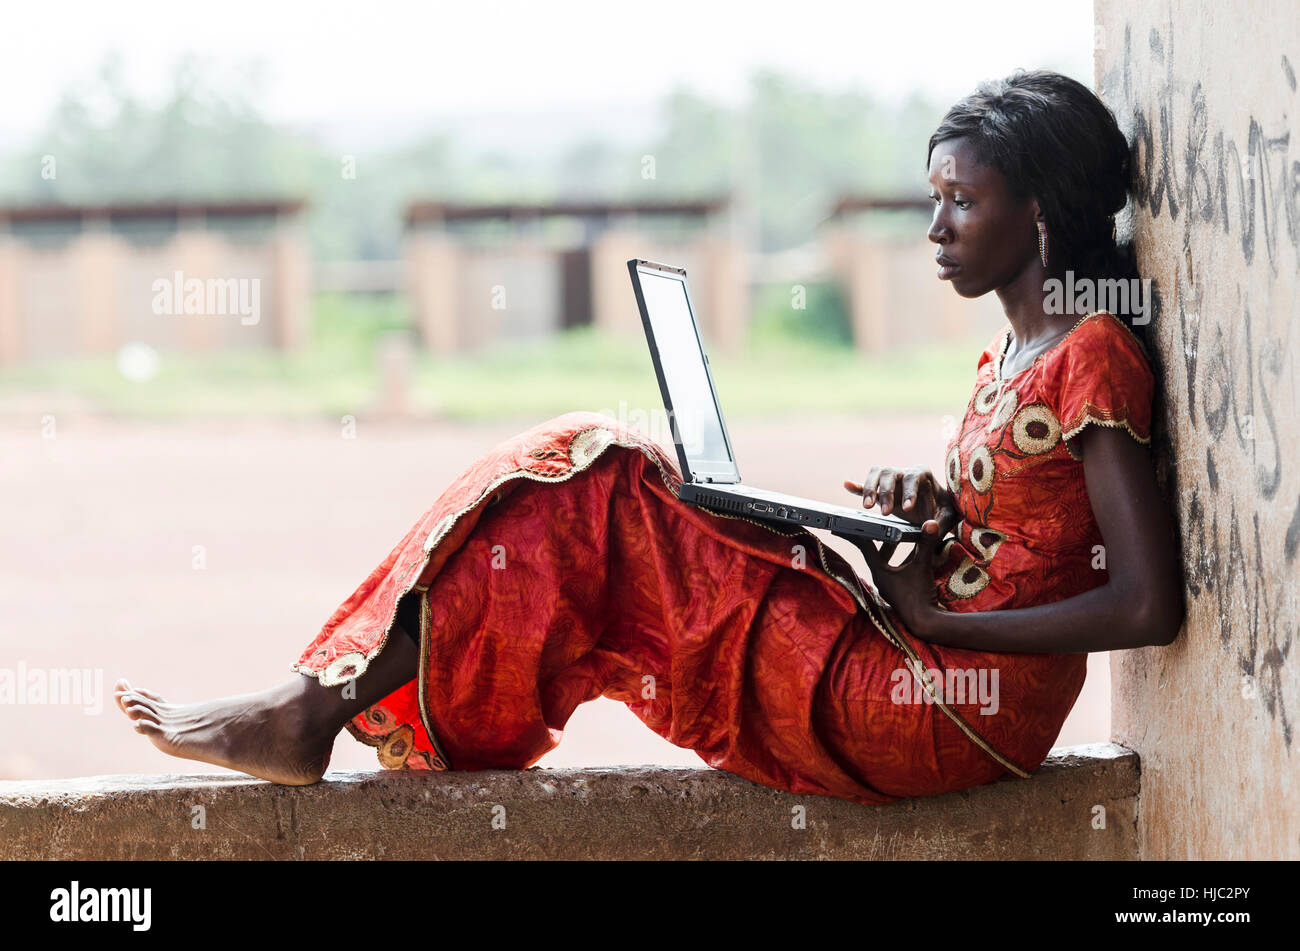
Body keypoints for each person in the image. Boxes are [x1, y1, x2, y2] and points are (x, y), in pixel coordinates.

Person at [114, 69, 1185, 806]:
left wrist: (928, 615)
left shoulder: (1091, 352)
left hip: (943, 707)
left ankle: (314, 705)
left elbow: (1143, 603)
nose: (934, 228)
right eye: (933, 197)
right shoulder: (1015, 352)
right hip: (917, 650)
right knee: (615, 487)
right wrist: (931, 513)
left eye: (961, 201)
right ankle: (320, 705)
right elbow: (1028, 531)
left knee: (601, 473)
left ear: (1038, 214)